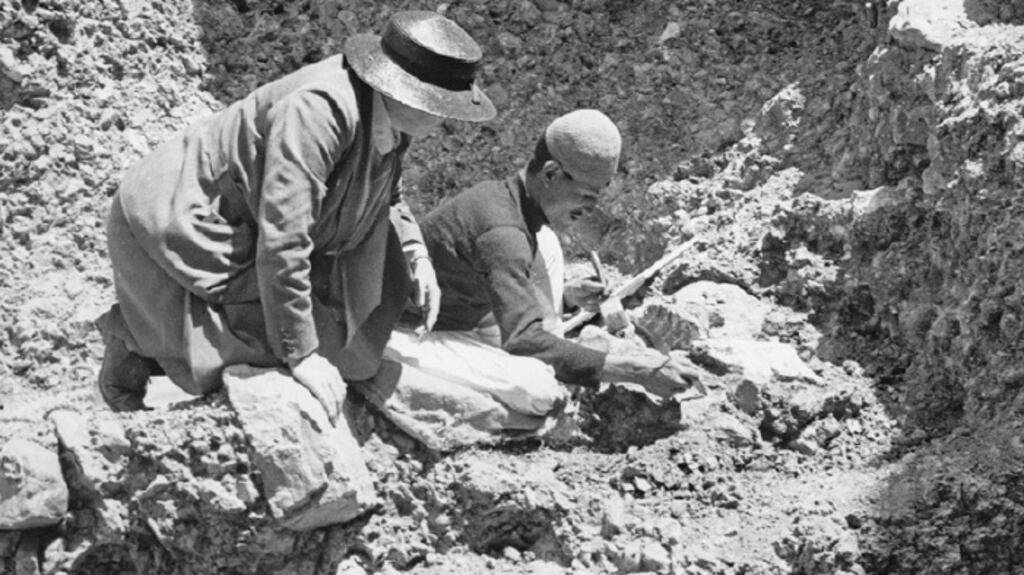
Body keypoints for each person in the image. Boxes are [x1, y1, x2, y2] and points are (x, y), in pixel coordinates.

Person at [97, 10, 496, 422]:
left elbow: (387, 189)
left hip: (252, 226)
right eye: (441, 105)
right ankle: (134, 340)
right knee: (266, 358)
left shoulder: (390, 115)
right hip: (184, 217)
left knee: (352, 354)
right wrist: (300, 354)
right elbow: (285, 236)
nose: (446, 116)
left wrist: (417, 252)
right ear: (403, 90)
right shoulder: (317, 112)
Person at [384, 109, 701, 425]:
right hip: (405, 332)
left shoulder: (512, 202)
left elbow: (504, 282)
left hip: (462, 311)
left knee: (546, 245)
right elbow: (524, 340)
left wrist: (566, 299)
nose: (592, 208)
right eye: (587, 195)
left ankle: (556, 356)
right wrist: (638, 371)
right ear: (550, 174)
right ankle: (401, 376)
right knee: (540, 394)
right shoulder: (503, 233)